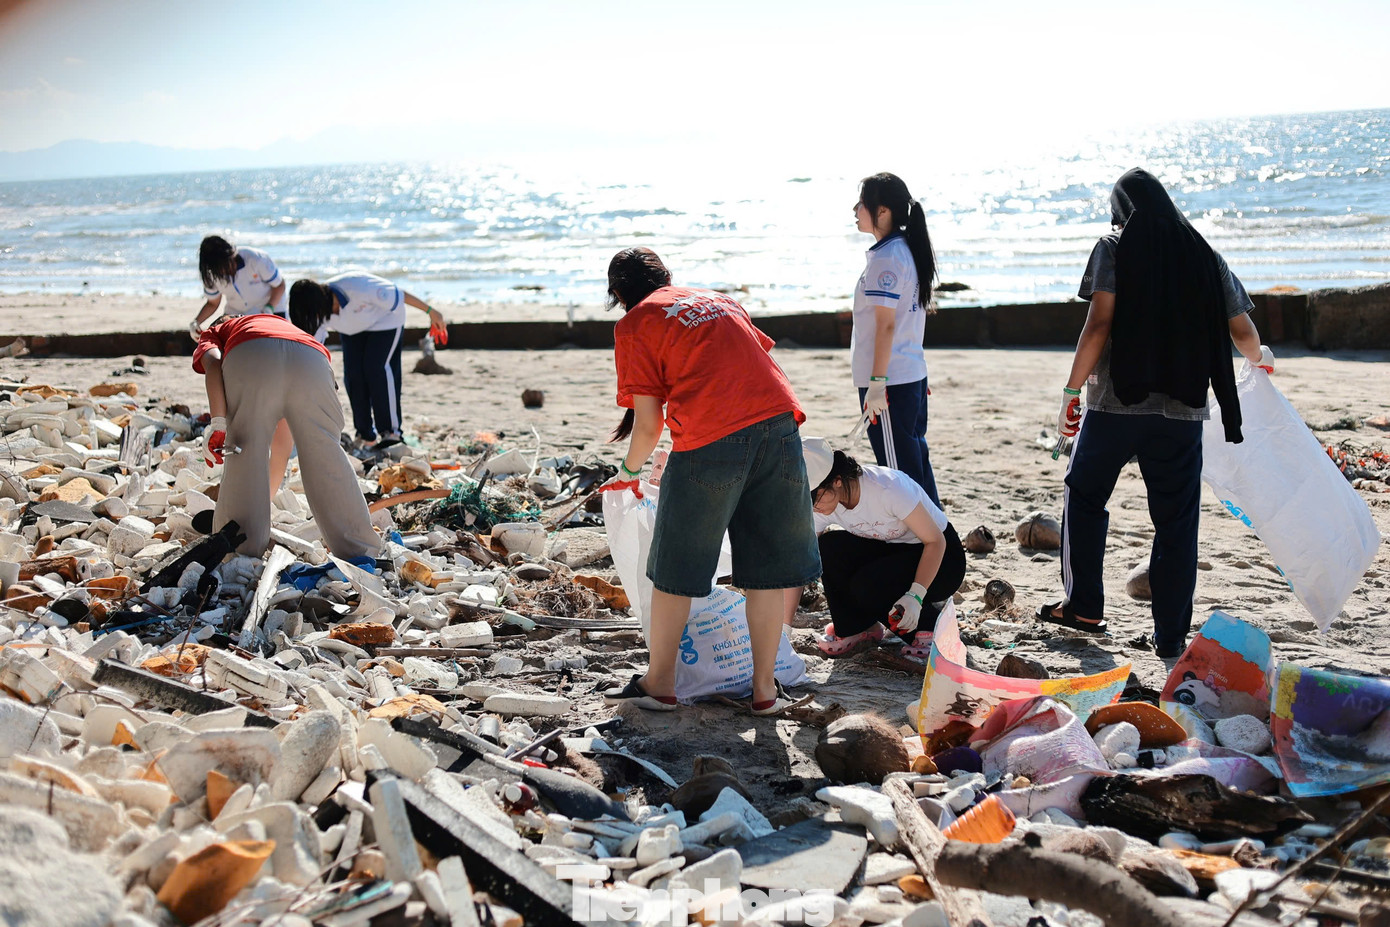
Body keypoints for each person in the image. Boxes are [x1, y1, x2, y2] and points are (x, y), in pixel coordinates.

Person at [1041, 168, 1274, 658]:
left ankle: (1083, 604)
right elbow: (1242, 330)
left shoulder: (1114, 246)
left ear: (1121, 209)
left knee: (1083, 496)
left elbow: (1098, 324)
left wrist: (1071, 389)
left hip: (1114, 406)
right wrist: (1260, 360)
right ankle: (1169, 637)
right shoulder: (1203, 253)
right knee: (1176, 522)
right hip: (1183, 412)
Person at [598, 247, 821, 716]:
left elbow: (648, 424)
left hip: (712, 440)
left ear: (618, 294)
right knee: (765, 572)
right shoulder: (717, 299)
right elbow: (745, 366)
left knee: (675, 566)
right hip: (780, 427)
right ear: (667, 277)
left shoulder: (635, 321)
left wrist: (630, 474)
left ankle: (659, 683)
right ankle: (764, 690)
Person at [193, 313, 381, 561]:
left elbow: (214, 364)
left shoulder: (218, 331)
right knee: (325, 451)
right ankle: (360, 550)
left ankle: (238, 550)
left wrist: (218, 424)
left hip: (253, 355)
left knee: (245, 448)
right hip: (313, 360)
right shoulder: (280, 323)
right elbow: (281, 448)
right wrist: (265, 501)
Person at [790, 439, 965, 659]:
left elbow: (936, 541)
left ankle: (930, 627)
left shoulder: (888, 488)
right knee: (827, 548)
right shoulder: (822, 504)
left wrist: (916, 595)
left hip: (942, 559)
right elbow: (800, 559)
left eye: (814, 497)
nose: (812, 506)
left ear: (836, 481)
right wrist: (784, 632)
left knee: (867, 586)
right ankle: (856, 628)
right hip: (892, 549)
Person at [850, 172, 942, 506]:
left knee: (901, 476)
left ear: (883, 211)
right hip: (908, 375)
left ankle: (926, 545)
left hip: (890, 382)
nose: (856, 209)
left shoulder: (888, 256)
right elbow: (909, 319)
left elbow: (887, 326)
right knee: (916, 464)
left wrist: (877, 383)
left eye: (863, 203)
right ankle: (940, 540)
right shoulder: (904, 249)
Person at [289, 272, 449, 448]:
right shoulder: (316, 312)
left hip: (386, 321)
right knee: (353, 375)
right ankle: (365, 434)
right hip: (352, 330)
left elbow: (400, 294)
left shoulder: (360, 288)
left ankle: (391, 433)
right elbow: (312, 349)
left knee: (376, 369)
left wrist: (431, 312)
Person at [191, 235, 288, 335]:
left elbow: (279, 285)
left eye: (225, 266)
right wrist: (196, 322)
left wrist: (269, 308)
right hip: (236, 314)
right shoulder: (211, 274)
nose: (224, 272)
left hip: (272, 309)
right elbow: (213, 303)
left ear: (232, 255)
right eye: (220, 270)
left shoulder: (256, 258)